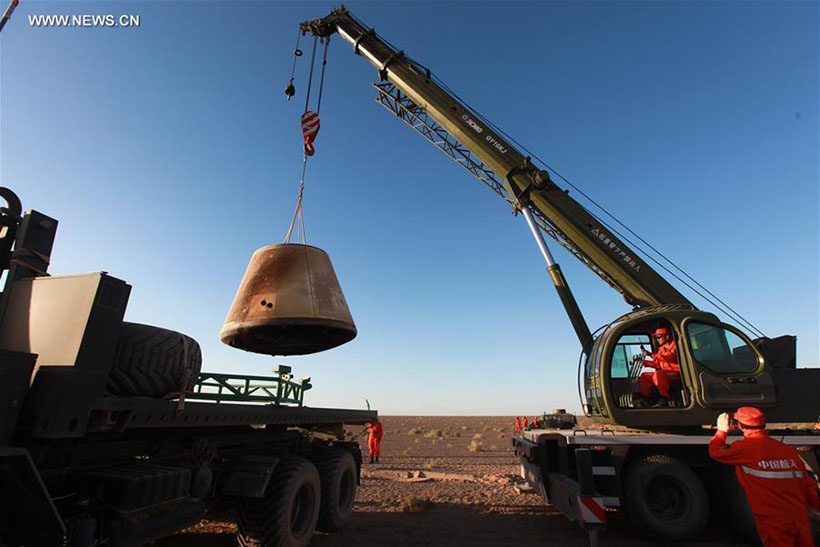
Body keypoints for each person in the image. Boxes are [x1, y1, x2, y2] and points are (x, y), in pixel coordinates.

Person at [709, 407, 820, 546]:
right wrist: (815, 509)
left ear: (740, 426)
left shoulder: (744, 449)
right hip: (799, 518)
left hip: (773, 520)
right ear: (764, 425)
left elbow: (716, 451)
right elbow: (809, 484)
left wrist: (722, 431)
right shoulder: (786, 451)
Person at [635, 327, 680, 406]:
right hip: (666, 374)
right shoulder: (661, 349)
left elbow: (669, 357)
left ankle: (664, 398)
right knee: (645, 376)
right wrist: (643, 361)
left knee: (659, 374)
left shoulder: (675, 346)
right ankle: (646, 398)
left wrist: (650, 354)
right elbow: (657, 364)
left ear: (667, 337)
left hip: (676, 373)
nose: (657, 339)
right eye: (656, 337)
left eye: (659, 337)